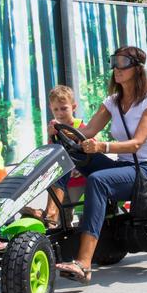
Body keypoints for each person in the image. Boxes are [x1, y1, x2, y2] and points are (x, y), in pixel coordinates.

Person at [53, 46, 147, 284]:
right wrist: (62, 133)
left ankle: (84, 264)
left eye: (122, 62)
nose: (116, 68)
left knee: (98, 180)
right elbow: (88, 131)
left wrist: (102, 147)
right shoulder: (112, 101)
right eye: (114, 62)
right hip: (124, 167)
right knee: (66, 154)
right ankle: (51, 214)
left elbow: (136, 144)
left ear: (137, 68)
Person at [22, 85, 87, 228]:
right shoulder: (54, 128)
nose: (60, 113)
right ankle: (61, 239)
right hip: (61, 179)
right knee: (63, 217)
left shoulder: (82, 126)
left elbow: (88, 149)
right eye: (55, 109)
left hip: (78, 179)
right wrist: (51, 135)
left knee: (84, 213)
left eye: (64, 108)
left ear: (73, 107)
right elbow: (52, 150)